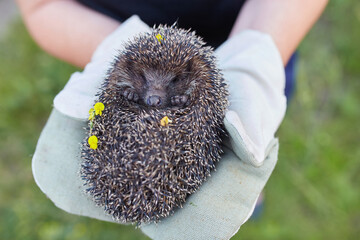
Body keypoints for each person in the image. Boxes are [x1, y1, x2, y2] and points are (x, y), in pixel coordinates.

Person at [15, 0, 329, 239]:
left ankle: (249, 190)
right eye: (146, 84)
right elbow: (41, 5)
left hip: (266, 21)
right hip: (103, 29)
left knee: (251, 117)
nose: (152, 98)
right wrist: (112, 50)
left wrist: (258, 53)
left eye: (165, 87)